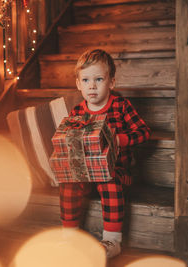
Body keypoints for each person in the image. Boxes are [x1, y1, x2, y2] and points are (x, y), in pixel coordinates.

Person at [59, 49, 151, 258]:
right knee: (68, 181)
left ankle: (112, 240)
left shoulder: (120, 106)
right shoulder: (77, 112)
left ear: (111, 83)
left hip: (117, 172)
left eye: (99, 79)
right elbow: (70, 141)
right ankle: (69, 236)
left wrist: (120, 140)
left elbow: (144, 132)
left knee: (108, 179)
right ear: (78, 84)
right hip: (86, 173)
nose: (92, 85)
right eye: (86, 80)